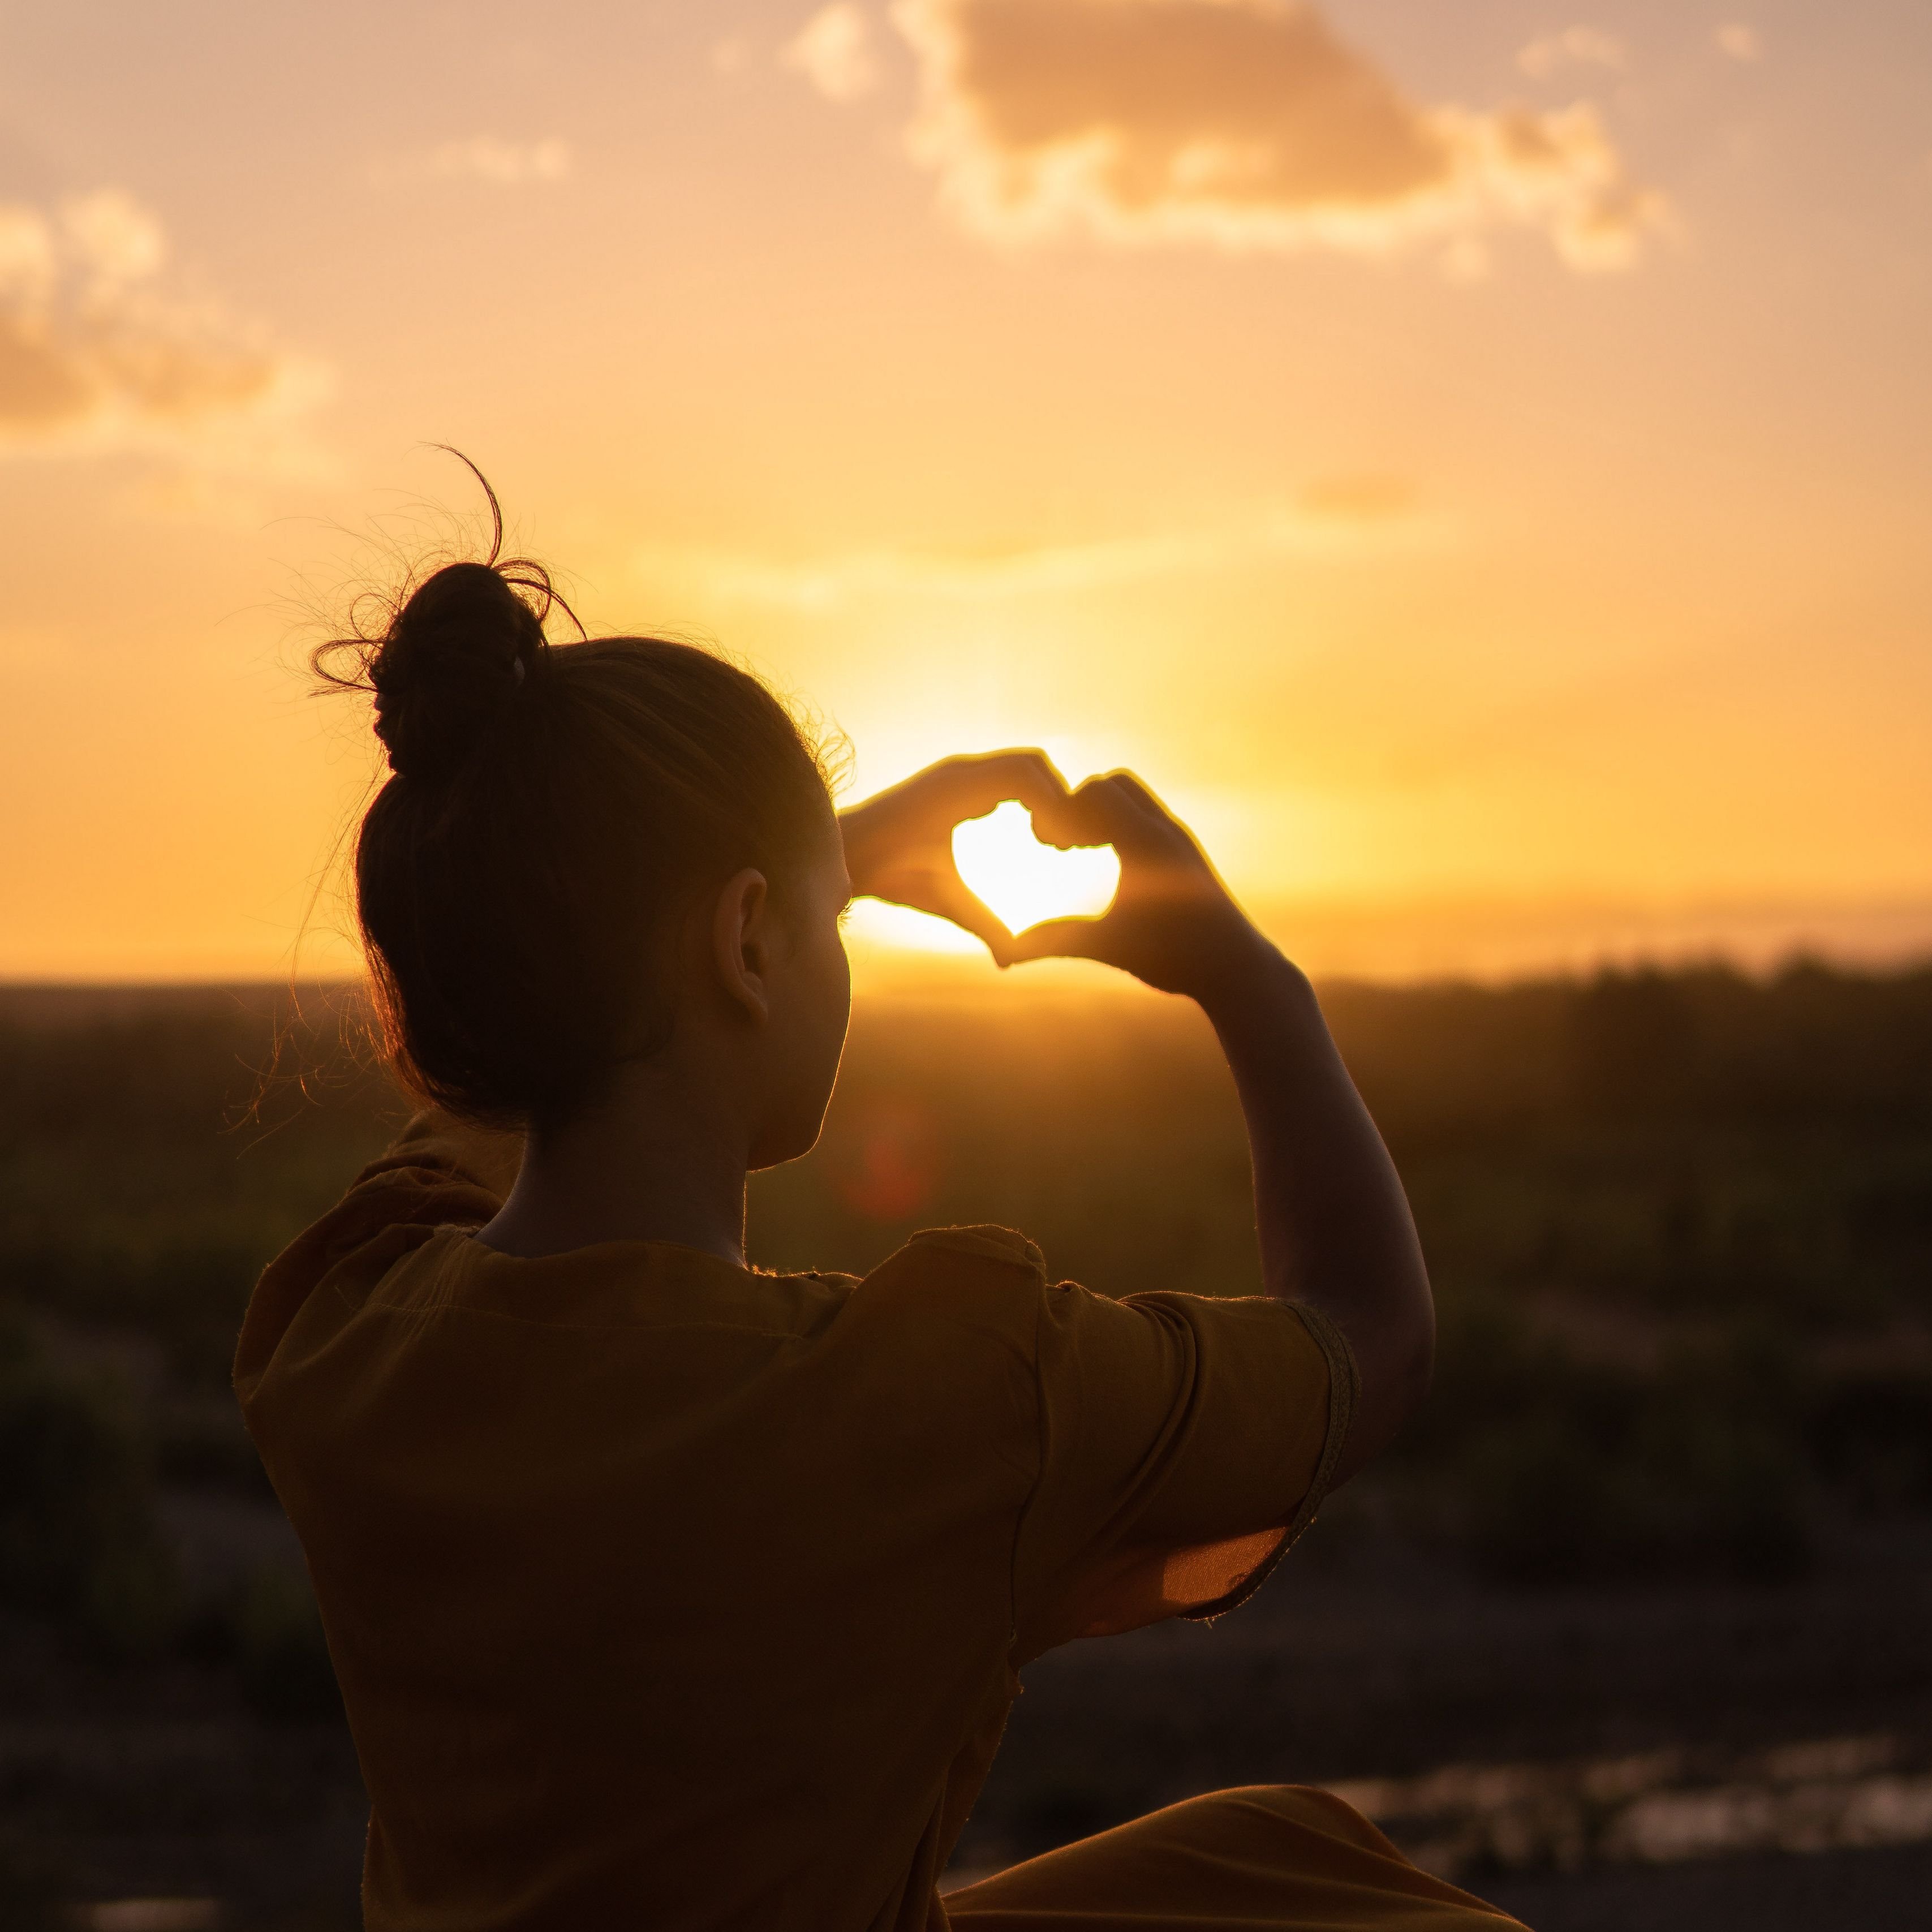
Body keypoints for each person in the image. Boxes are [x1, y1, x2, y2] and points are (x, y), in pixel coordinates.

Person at [236, 497, 1526, 1931]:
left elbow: (509, 1081)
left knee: (1279, 1859)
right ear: (743, 940)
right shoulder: (944, 1398)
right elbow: (1373, 1340)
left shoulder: (341, 1333)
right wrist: (1249, 977)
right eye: (829, 920)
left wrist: (786, 870)